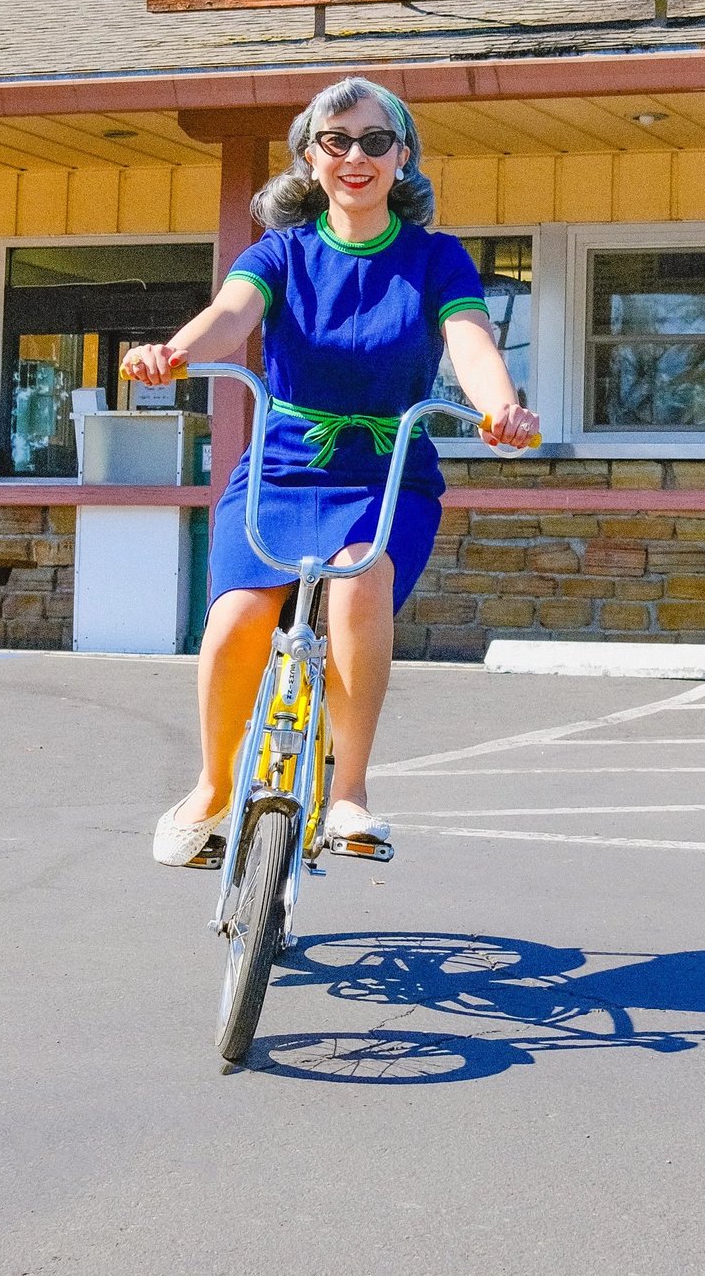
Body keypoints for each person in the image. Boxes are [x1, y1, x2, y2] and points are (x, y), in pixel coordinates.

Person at [123, 75, 538, 866]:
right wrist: (175, 353)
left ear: (402, 158)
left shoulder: (435, 260)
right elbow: (230, 317)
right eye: (337, 141)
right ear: (310, 159)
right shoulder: (280, 252)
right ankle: (212, 788)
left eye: (376, 142)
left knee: (359, 577)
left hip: (387, 475)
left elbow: (471, 341)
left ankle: (350, 791)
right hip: (284, 468)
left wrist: (501, 407)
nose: (357, 157)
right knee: (239, 617)